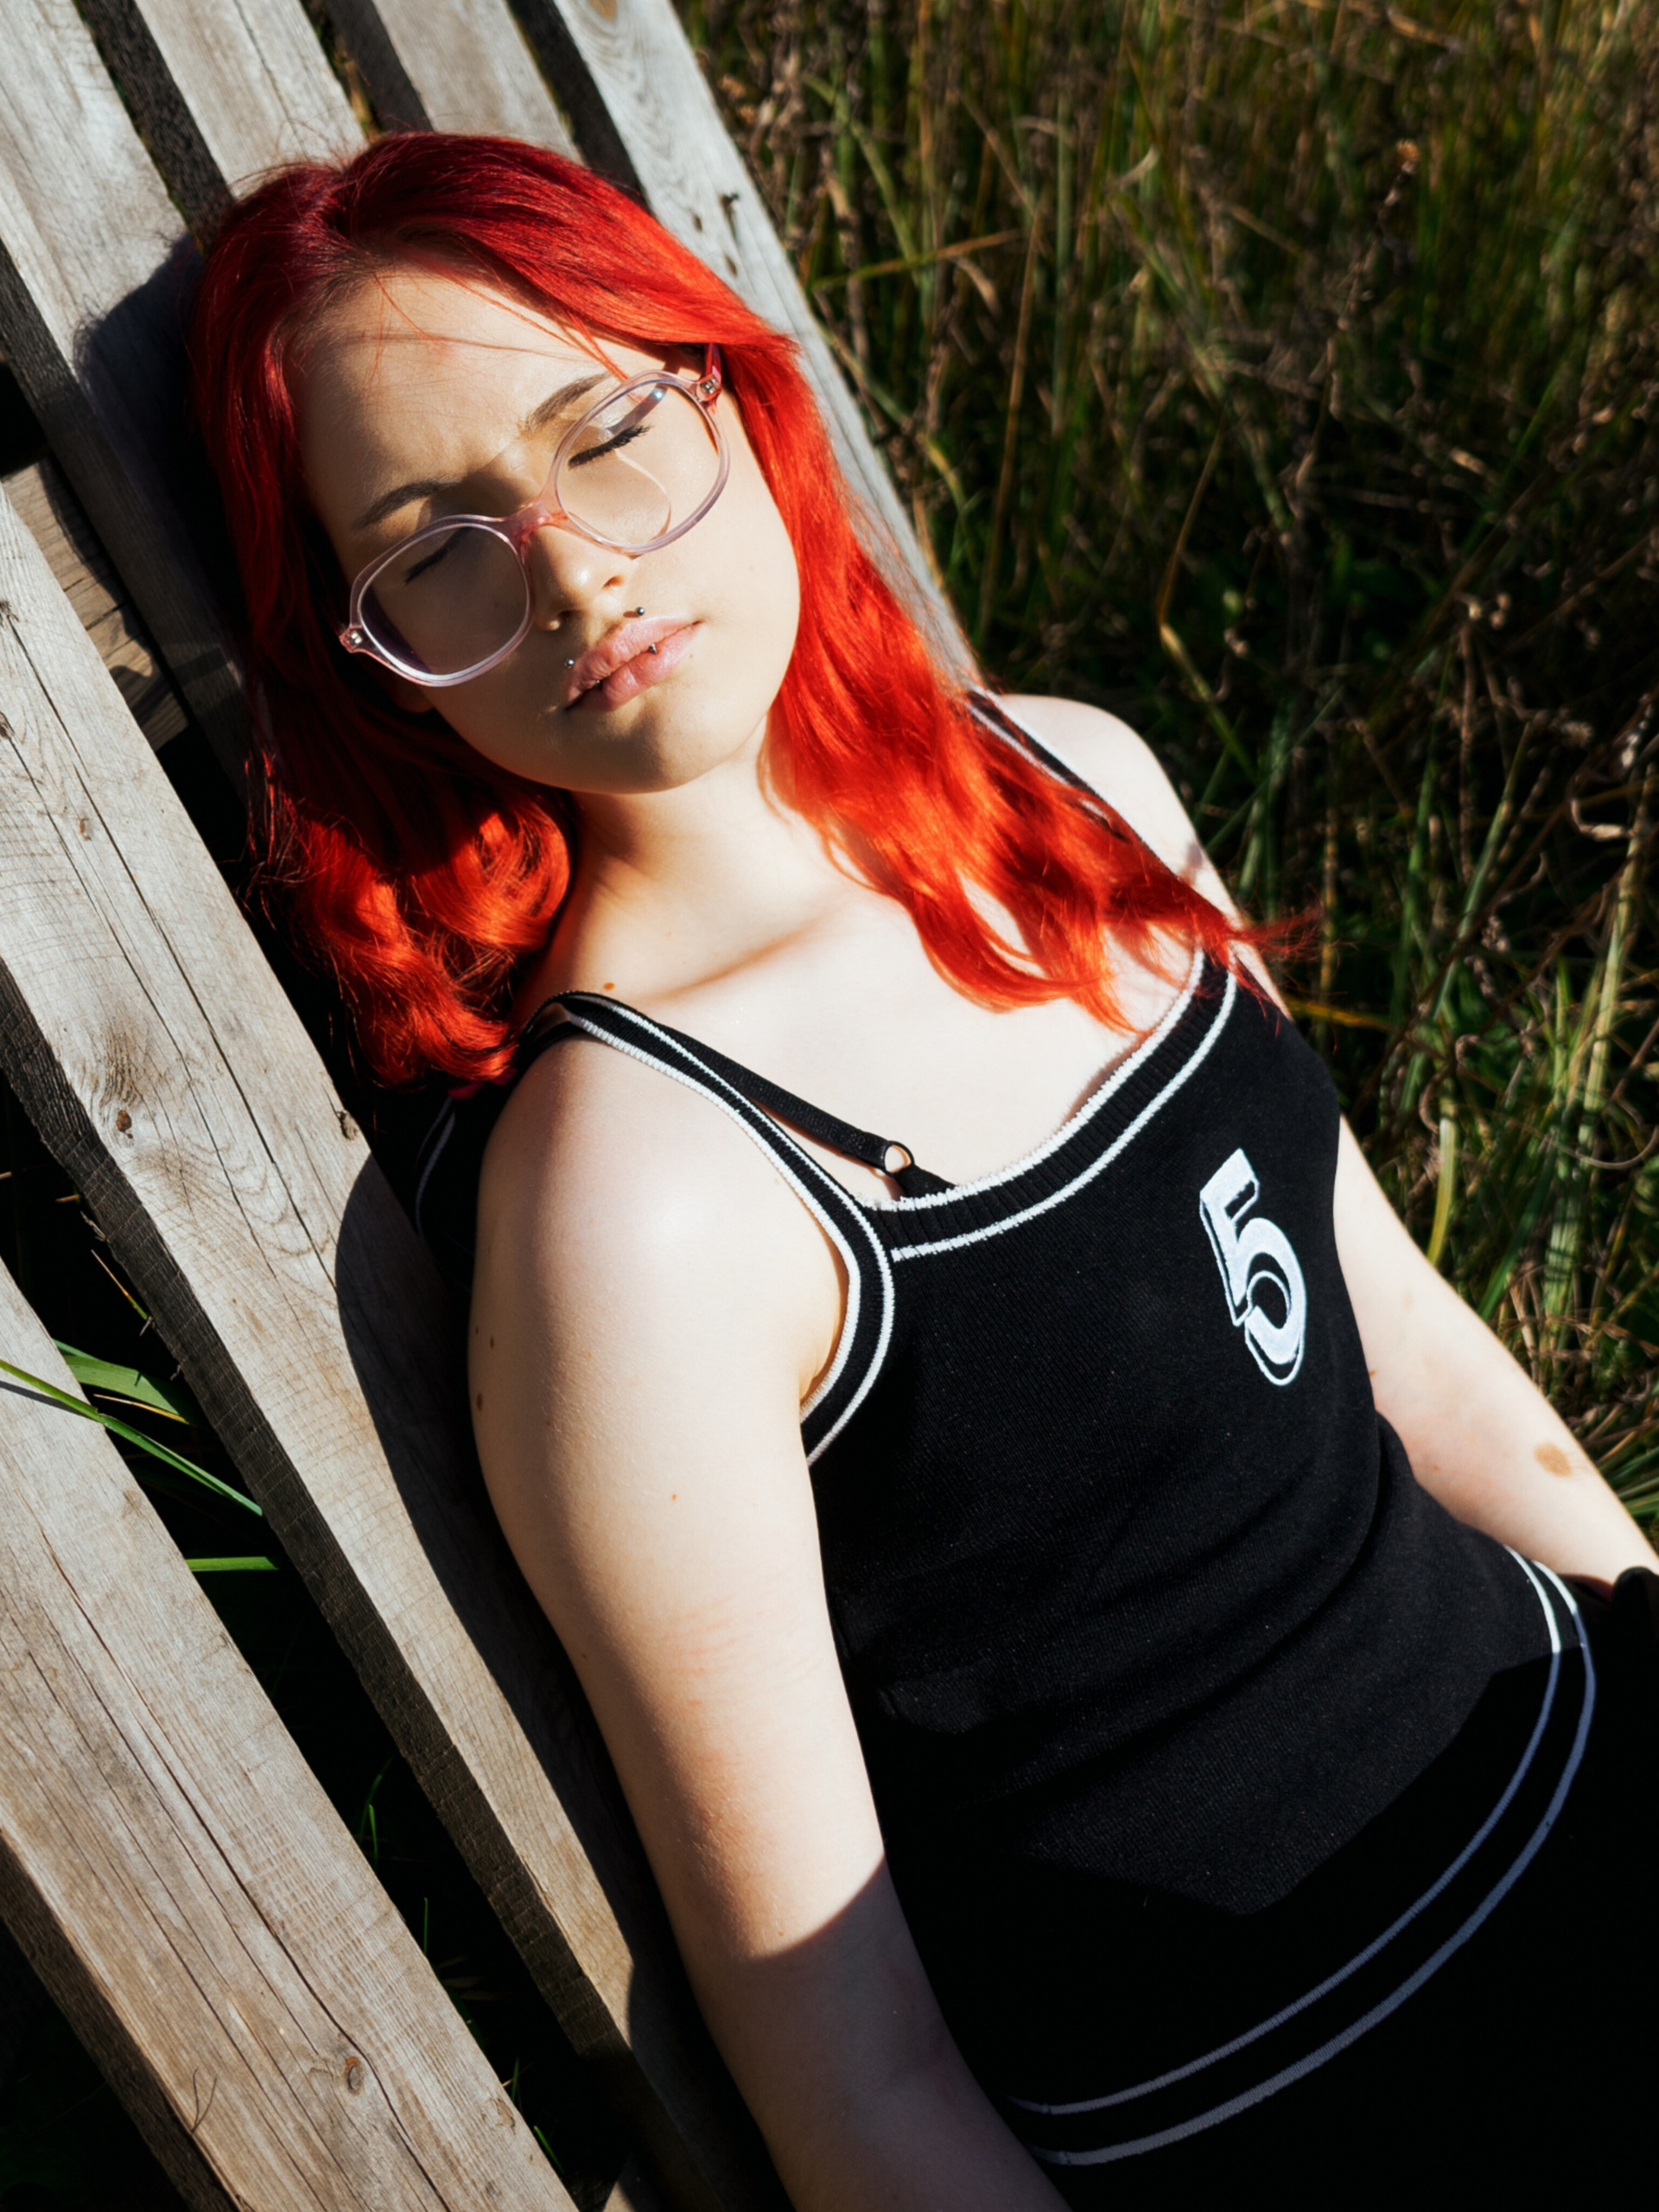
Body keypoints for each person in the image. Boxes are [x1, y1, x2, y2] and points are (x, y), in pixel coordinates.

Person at [190, 133, 1656, 2204]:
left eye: (605, 433)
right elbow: (852, 2059)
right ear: (366, 653)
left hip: (1580, 1762)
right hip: (1330, 2064)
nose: (577, 576)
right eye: (438, 549)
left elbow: (1417, 1356)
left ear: (733, 396)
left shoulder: (1068, 783)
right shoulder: (644, 1199)